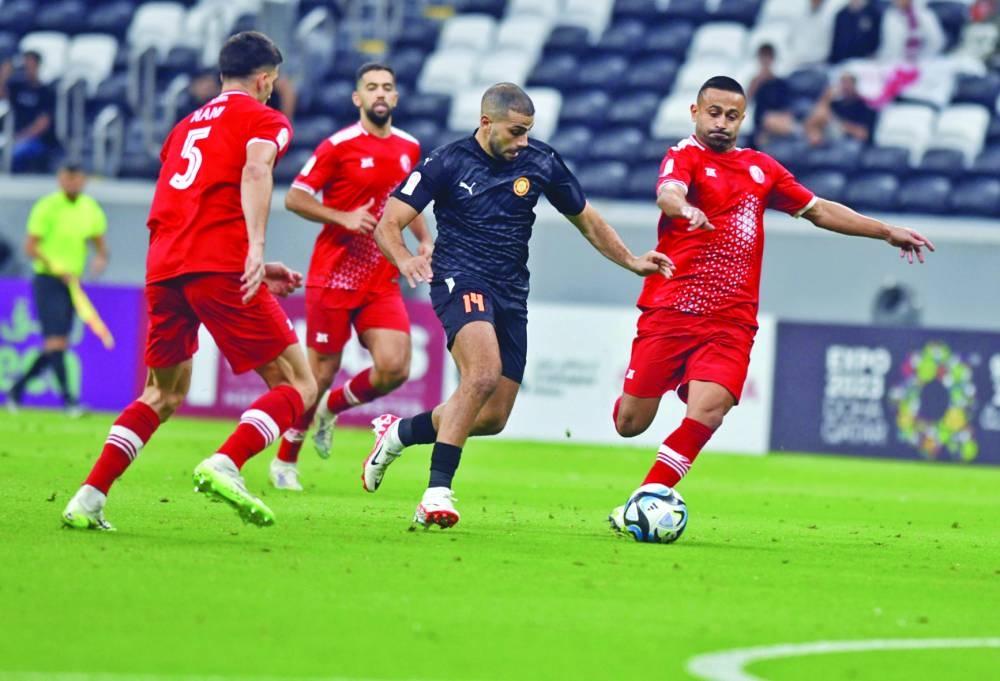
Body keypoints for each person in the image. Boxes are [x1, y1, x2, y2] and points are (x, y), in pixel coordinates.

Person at [607, 76, 934, 531]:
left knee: (710, 410)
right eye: (713, 113)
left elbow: (818, 209)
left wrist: (885, 231)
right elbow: (668, 191)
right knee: (630, 422)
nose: (722, 123)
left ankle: (647, 497)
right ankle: (643, 415)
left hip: (731, 320)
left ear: (744, 117)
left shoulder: (761, 169)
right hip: (673, 309)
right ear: (695, 112)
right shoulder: (685, 156)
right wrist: (682, 208)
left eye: (732, 115)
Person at [360, 82, 673, 529]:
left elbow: (586, 217)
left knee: (490, 417)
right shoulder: (446, 161)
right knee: (481, 374)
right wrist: (406, 258)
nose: (522, 142)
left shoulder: (541, 161)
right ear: (486, 123)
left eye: (528, 132)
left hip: (511, 292)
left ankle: (400, 433)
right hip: (458, 279)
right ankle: (436, 493)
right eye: (515, 131)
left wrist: (631, 260)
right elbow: (389, 223)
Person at [61, 31, 317, 531]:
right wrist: (257, 248)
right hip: (218, 266)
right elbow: (256, 170)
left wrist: (258, 267)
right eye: (274, 82)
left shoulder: (181, 129)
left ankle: (88, 499)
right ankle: (227, 462)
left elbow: (190, 205)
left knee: (162, 392)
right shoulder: (265, 119)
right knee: (298, 383)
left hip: (165, 267)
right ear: (265, 79)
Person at [269, 62, 431, 491]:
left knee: (395, 367)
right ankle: (286, 460)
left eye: (388, 87)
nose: (380, 94)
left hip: (380, 277)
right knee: (317, 375)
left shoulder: (410, 148)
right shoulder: (337, 145)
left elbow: (407, 201)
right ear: (358, 99)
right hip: (334, 276)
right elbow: (295, 198)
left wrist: (423, 238)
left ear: (395, 98)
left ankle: (331, 409)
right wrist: (341, 216)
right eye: (371, 87)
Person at [5, 163, 108, 414]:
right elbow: (31, 247)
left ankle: (17, 390)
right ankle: (69, 401)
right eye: (67, 178)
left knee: (56, 344)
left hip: (72, 284)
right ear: (60, 179)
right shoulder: (47, 206)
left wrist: (100, 258)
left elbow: (99, 244)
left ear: (84, 180)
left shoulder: (90, 209)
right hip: (48, 280)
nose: (72, 183)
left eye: (77, 178)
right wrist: (56, 266)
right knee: (56, 341)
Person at [5, 50, 58, 172]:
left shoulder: (46, 92)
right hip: (13, 134)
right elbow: (3, 97)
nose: (28, 68)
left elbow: (43, 123)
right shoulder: (16, 88)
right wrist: (5, 74)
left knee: (16, 153)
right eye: (26, 65)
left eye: (31, 65)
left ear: (38, 66)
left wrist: (21, 137)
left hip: (36, 139)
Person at [804, 71, 878, 148]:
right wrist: (826, 98)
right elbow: (815, 119)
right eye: (843, 83)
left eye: (848, 83)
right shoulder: (836, 105)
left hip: (851, 143)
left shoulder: (864, 106)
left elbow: (863, 134)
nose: (845, 87)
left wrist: (844, 127)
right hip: (831, 138)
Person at [746, 43, 797, 148]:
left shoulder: (780, 83)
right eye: (763, 57)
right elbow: (747, 101)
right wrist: (758, 82)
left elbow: (787, 107)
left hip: (778, 120)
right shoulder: (755, 82)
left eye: (767, 57)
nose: (765, 61)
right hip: (761, 123)